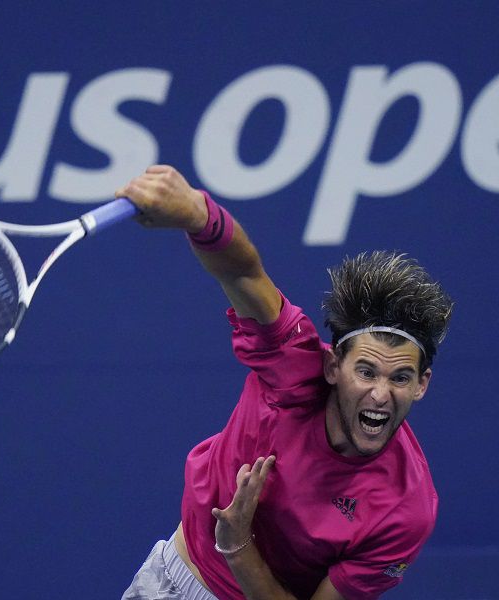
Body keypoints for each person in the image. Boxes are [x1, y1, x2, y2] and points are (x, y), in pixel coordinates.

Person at [118, 165, 453, 600]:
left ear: (422, 384)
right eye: (366, 371)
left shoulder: (406, 509)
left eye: (400, 377)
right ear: (333, 367)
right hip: (174, 583)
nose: (380, 394)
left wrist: (238, 546)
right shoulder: (291, 365)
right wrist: (198, 215)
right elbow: (243, 274)